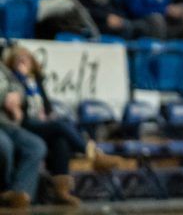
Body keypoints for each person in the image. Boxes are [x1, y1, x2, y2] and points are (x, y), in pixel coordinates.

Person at [4, 45, 119, 205]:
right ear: (12, 62)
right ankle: (92, 154)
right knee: (59, 126)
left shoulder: (36, 80)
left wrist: (48, 114)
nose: (23, 62)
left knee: (61, 140)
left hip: (41, 125)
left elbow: (48, 106)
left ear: (32, 61)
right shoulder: (12, 78)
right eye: (19, 59)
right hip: (24, 124)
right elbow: (18, 106)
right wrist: (21, 78)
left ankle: (61, 191)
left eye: (26, 58)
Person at [0, 59, 47, 207]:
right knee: (4, 145)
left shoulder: (2, 68)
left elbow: (18, 87)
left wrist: (17, 97)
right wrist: (4, 99)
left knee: (36, 146)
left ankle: (19, 194)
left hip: (8, 123)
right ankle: (5, 190)